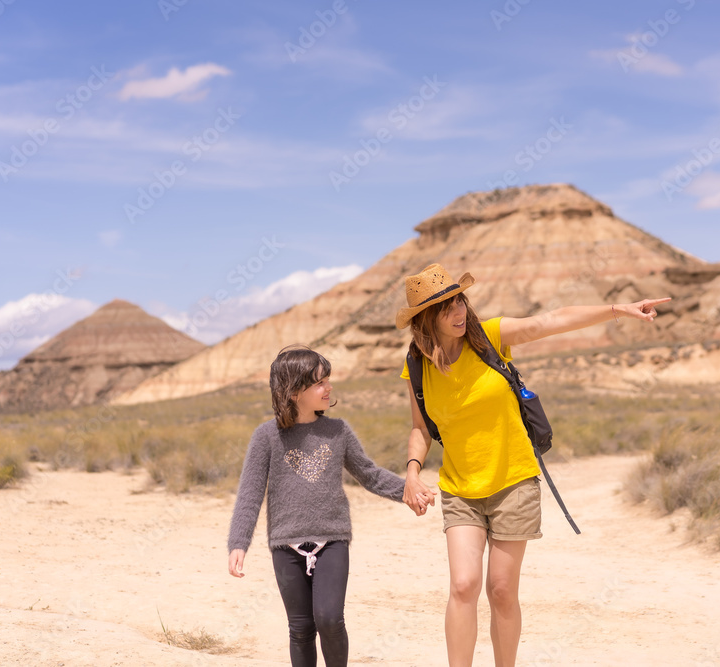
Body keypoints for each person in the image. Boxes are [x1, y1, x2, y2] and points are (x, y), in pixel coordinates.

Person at [397, 263, 669, 667]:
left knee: (502, 590)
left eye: (459, 301)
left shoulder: (489, 336)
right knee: (463, 585)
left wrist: (618, 309)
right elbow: (420, 428)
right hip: (460, 488)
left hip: (513, 482)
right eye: (446, 307)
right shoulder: (418, 365)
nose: (458, 312)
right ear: (426, 319)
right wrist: (413, 472)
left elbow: (551, 320)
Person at [227, 345, 431, 667]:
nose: (329, 387)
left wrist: (408, 492)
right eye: (320, 382)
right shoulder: (266, 436)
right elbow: (250, 494)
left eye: (328, 379)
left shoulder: (338, 431)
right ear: (294, 391)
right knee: (301, 629)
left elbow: (370, 474)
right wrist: (238, 542)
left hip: (332, 539)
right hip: (285, 544)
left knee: (329, 618)